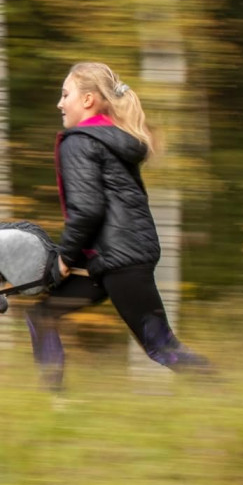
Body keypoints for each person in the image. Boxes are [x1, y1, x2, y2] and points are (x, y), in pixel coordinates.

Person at [25, 61, 212, 390]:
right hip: (112, 258)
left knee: (162, 347)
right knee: (43, 315)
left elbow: (88, 210)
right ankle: (53, 403)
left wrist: (64, 260)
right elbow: (106, 208)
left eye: (65, 94)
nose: (59, 103)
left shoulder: (79, 141)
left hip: (119, 261)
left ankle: (229, 393)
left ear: (87, 100)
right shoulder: (111, 138)